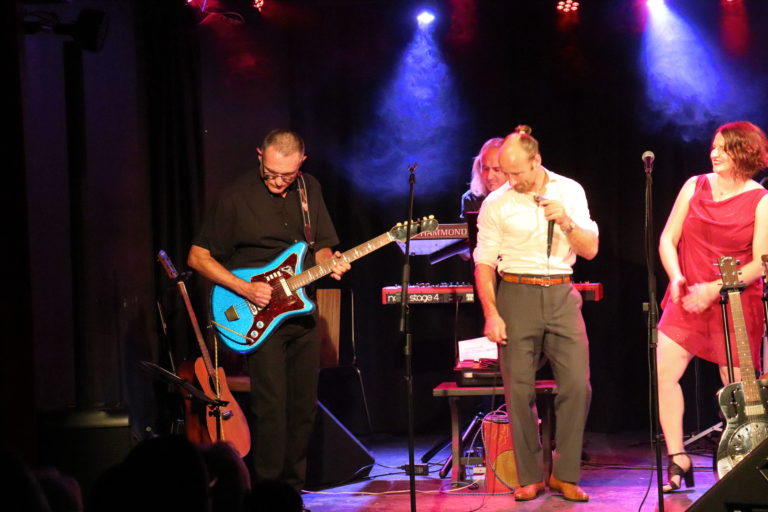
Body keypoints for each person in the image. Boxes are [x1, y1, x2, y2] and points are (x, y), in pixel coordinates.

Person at [188, 129, 350, 491]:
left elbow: (322, 246)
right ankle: (266, 492)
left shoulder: (310, 189)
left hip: (301, 310)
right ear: (259, 154)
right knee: (271, 407)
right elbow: (197, 256)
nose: (278, 182)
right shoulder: (234, 198)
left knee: (304, 408)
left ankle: (291, 491)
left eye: (287, 176)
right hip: (256, 312)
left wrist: (331, 262)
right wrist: (245, 288)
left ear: (301, 164)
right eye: (270, 173)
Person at [473, 125, 598, 502]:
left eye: (517, 173)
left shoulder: (570, 191)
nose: (511, 180)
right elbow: (483, 264)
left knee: (578, 385)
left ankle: (565, 474)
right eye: (504, 173)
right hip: (516, 293)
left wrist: (566, 220)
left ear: (536, 161)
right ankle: (529, 476)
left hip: (561, 291)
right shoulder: (497, 202)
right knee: (519, 391)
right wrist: (492, 313)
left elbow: (590, 249)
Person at [656, 121, 768, 492]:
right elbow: (668, 240)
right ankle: (678, 459)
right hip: (687, 297)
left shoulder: (761, 200)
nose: (713, 153)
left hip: (734, 301)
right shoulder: (695, 185)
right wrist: (675, 276)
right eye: (713, 147)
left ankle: (743, 463)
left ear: (744, 153)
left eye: (723, 148)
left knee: (735, 390)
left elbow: (760, 263)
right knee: (666, 373)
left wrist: (715, 287)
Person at [460, 137, 506, 219]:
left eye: (496, 169)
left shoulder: (522, 196)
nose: (489, 176)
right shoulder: (471, 199)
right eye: (485, 169)